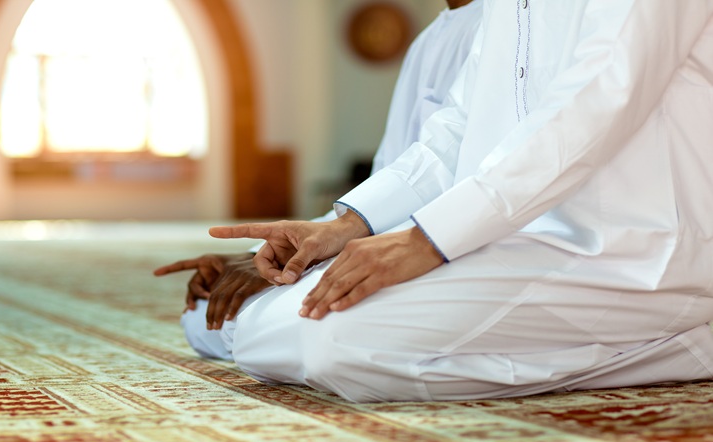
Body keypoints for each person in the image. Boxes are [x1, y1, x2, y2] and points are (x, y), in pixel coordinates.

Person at [205, 0, 713, 403]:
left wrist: (428, 240)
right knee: (259, 325)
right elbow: (458, 125)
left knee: (329, 344)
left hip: (638, 249)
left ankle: (689, 342)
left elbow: (596, 103)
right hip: (522, 238)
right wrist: (349, 224)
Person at [154, 0, 483, 359]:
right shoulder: (428, 40)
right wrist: (265, 256)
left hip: (445, 245)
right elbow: (388, 184)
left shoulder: (499, 25)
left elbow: (476, 188)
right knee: (204, 320)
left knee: (302, 333)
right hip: (375, 238)